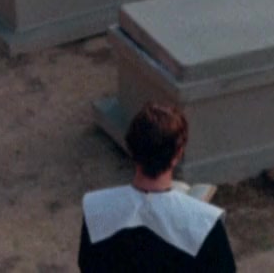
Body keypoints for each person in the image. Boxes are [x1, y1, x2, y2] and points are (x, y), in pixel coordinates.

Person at [78, 103, 236, 272]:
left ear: (131, 148)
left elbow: (87, 264)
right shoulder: (205, 225)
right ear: (178, 153)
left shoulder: (97, 211)